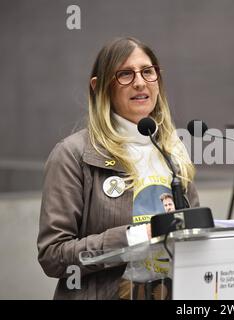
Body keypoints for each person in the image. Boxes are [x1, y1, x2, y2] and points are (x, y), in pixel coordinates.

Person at [37, 37, 199, 300]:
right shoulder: (72, 155)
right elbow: (53, 256)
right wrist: (136, 236)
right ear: (99, 87)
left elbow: (189, 236)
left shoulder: (172, 150)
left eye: (148, 71)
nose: (139, 82)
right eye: (125, 74)